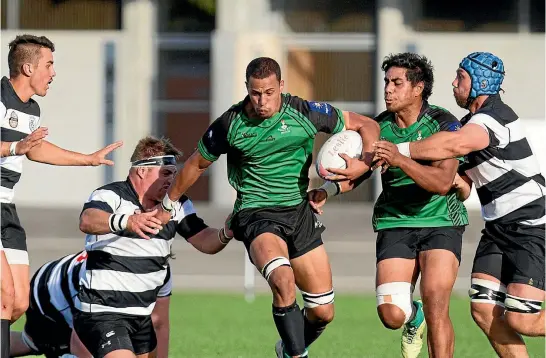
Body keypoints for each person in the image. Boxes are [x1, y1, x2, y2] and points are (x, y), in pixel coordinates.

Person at [154, 57, 380, 358]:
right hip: (255, 215)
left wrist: (362, 162)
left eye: (269, 92)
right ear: (247, 89)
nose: (262, 101)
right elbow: (195, 164)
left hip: (299, 213)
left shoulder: (304, 112)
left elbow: (368, 124)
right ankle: (298, 355)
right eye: (255, 93)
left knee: (323, 312)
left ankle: (289, 349)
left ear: (281, 87)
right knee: (283, 282)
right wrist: (168, 204)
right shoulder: (231, 123)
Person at [375, 52, 545, 357]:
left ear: (480, 83)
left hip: (531, 225)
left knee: (523, 318)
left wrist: (397, 151)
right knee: (483, 311)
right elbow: (464, 185)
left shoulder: (492, 119)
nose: (454, 84)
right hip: (498, 229)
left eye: (460, 78)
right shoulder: (470, 122)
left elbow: (451, 144)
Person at [308, 53, 469, 358]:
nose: (388, 89)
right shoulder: (378, 127)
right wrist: (327, 191)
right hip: (394, 221)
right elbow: (359, 170)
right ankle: (413, 317)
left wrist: (400, 159)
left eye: (397, 83)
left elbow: (442, 182)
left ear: (418, 88)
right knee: (391, 315)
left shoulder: (443, 123)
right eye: (386, 82)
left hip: (440, 221)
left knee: (437, 303)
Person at [0, 34, 122, 357]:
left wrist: (88, 159)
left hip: (6, 210)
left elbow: (36, 150)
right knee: (3, 295)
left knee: (18, 304)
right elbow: (22, 148)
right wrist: (16, 147)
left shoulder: (31, 110)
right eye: (49, 65)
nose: (53, 73)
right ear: (28, 67)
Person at [72, 136, 233, 358]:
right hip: (102, 313)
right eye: (165, 173)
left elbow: (205, 241)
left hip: (141, 317)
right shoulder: (110, 195)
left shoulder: (176, 205)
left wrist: (228, 231)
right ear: (141, 171)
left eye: (174, 173)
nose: (172, 180)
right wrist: (128, 221)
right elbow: (87, 220)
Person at [9, 251, 172, 358]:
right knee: (43, 343)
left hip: (70, 289)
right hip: (47, 295)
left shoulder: (161, 270)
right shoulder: (104, 275)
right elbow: (79, 337)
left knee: (29, 343)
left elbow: (158, 322)